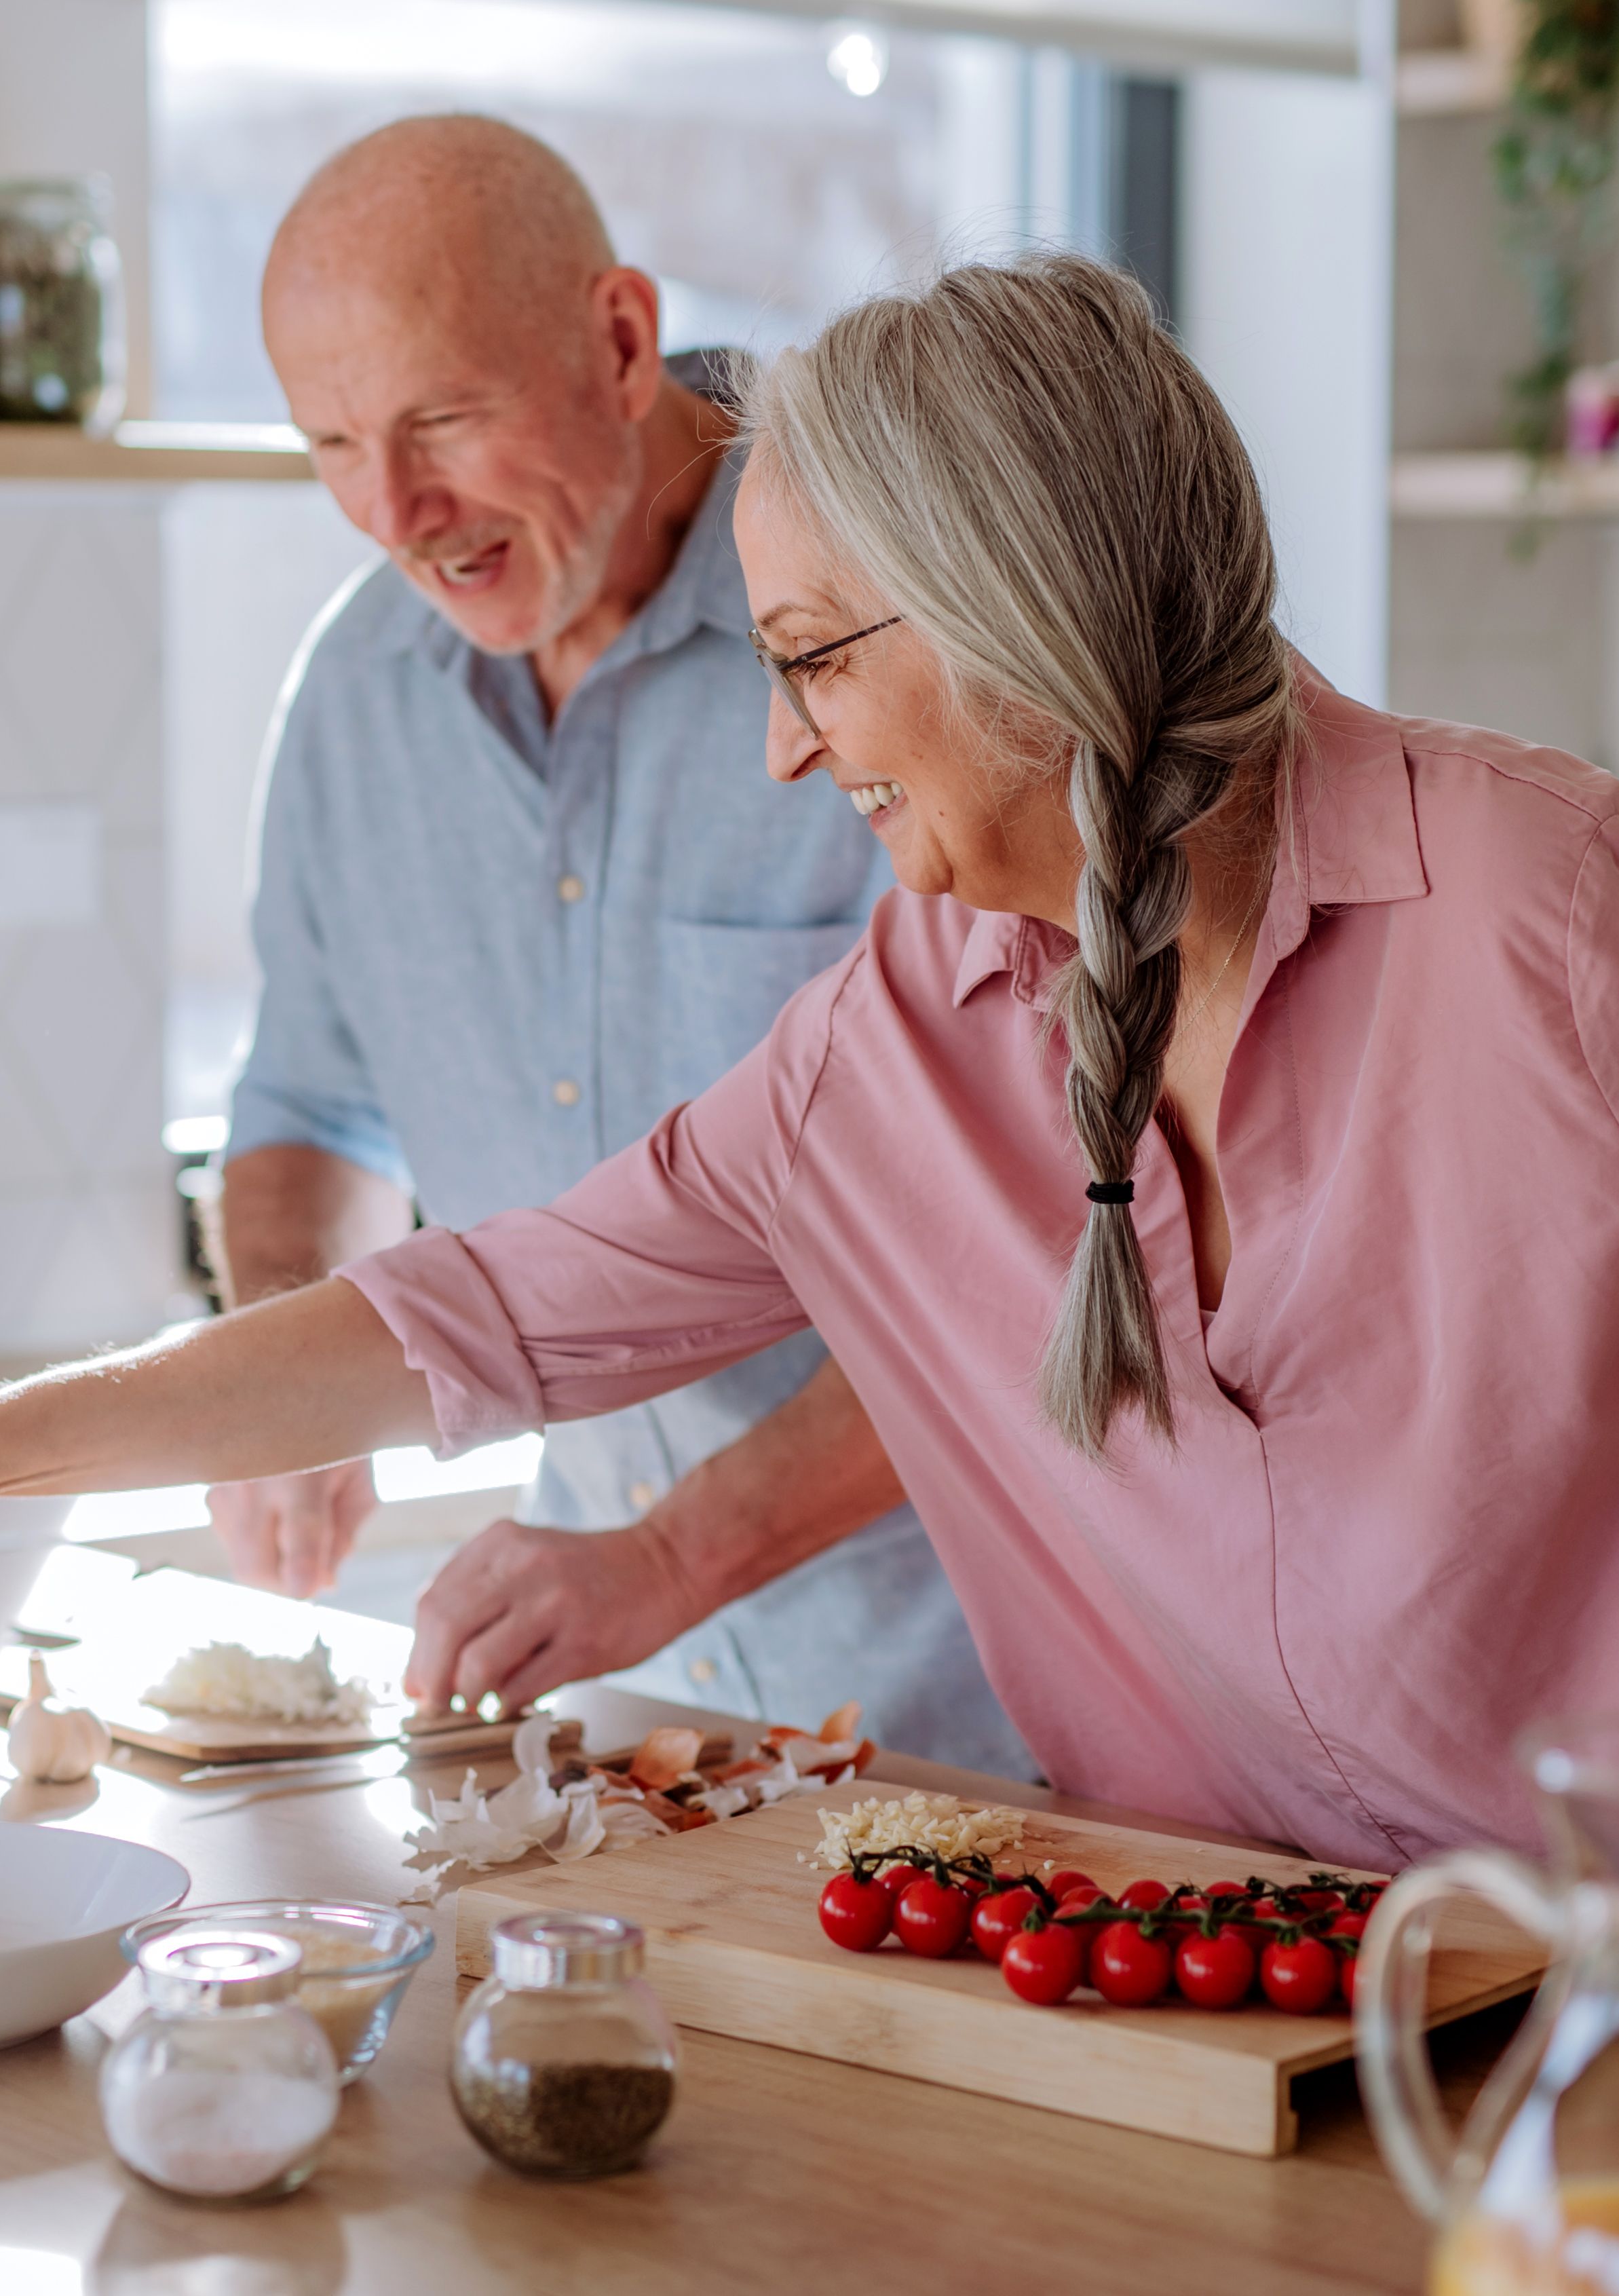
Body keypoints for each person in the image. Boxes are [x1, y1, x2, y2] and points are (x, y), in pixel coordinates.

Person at [0, 254, 1619, 2065]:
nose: (785, 752)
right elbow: (471, 1313)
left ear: (1017, 625)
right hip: (1211, 2020)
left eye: (818, 660)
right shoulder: (901, 1040)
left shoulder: (1539, 920)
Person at [190, 115, 1027, 1773]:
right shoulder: (355, 701)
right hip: (618, 1732)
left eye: (441, 420)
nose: (394, 508)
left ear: (622, 340)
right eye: (332, 442)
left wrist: (672, 1558)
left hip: (981, 1705)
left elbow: (1032, 1255)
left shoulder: (895, 629)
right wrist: (284, 1369)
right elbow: (311, 1102)